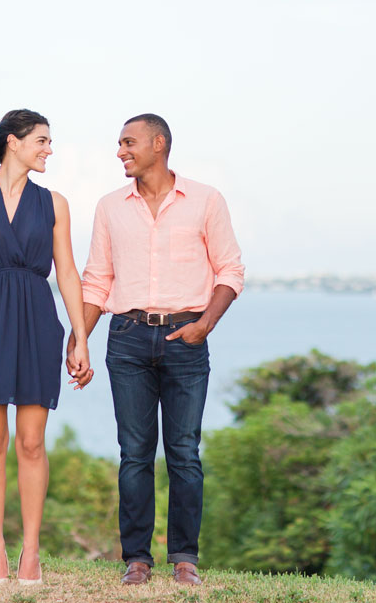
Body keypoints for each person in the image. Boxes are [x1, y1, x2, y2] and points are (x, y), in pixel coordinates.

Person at [67, 113, 244, 586]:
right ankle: (137, 559)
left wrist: (204, 325)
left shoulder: (206, 200)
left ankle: (185, 558)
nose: (120, 151)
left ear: (158, 143)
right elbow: (97, 280)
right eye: (120, 143)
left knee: (184, 451)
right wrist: (78, 338)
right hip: (126, 339)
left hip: (186, 338)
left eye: (128, 142)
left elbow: (230, 271)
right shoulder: (110, 206)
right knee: (134, 453)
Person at [0, 109, 95, 586]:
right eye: (43, 140)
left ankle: (31, 550)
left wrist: (81, 337)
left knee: (32, 442)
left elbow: (68, 273)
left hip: (37, 320)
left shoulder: (55, 203)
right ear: (14, 142)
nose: (49, 149)